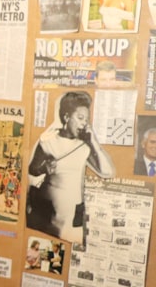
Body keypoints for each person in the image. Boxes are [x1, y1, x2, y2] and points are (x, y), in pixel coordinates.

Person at [26, 91, 115, 244]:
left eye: (86, 119)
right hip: (47, 213)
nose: (84, 123)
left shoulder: (84, 146)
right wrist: (43, 168)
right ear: (66, 117)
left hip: (72, 215)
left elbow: (107, 172)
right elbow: (32, 169)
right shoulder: (48, 141)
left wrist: (93, 142)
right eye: (80, 118)